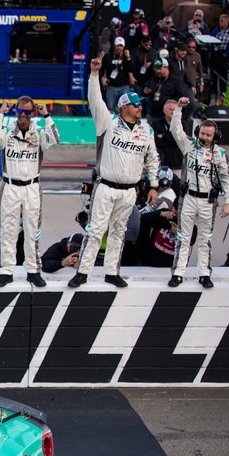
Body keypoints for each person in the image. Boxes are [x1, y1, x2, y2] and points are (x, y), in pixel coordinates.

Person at [74, 56, 159, 287]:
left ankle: (111, 272)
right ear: (124, 107)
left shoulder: (146, 130)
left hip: (130, 191)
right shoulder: (108, 123)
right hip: (106, 187)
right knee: (95, 230)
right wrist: (94, 75)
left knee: (119, 232)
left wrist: (153, 185)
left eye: (140, 104)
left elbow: (153, 158)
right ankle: (83, 272)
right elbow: (95, 100)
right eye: (136, 104)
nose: (140, 107)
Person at [0, 95, 58, 287]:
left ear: (33, 113)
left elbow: (54, 140)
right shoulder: (7, 131)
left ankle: (33, 271)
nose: (23, 115)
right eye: (20, 111)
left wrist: (47, 115)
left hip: (32, 187)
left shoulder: (39, 132)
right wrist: (1, 112)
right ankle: (6, 271)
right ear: (16, 111)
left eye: (27, 111)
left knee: (32, 231)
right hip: (10, 186)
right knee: (8, 230)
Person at [168, 100, 229, 288]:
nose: (204, 137)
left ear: (215, 136)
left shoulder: (221, 154)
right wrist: (179, 108)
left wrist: (228, 201)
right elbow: (175, 129)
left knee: (206, 239)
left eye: (208, 135)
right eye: (202, 133)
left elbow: (226, 178)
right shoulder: (189, 146)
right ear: (198, 132)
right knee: (183, 237)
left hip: (208, 201)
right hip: (188, 198)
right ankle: (178, 273)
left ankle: (204, 274)